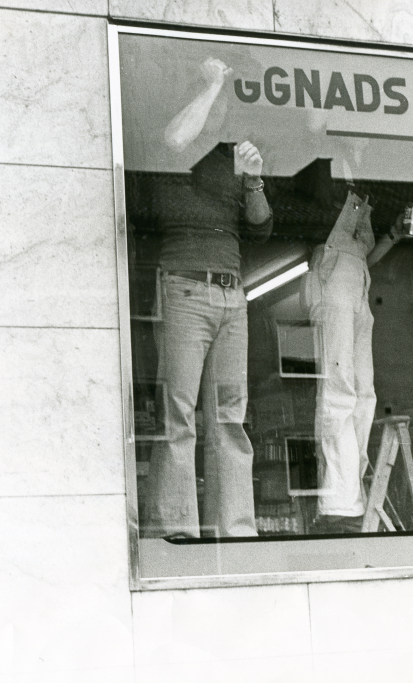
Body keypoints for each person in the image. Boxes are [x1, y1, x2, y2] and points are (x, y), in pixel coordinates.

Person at [146, 56, 273, 538]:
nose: (222, 110)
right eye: (215, 100)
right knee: (180, 413)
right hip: (184, 286)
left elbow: (260, 227)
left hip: (231, 294)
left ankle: (236, 531)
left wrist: (255, 179)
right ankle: (179, 532)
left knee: (228, 417)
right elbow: (179, 138)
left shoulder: (230, 158)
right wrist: (213, 83)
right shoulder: (173, 145)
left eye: (225, 102)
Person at [305, 189, 404, 533]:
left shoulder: (359, 182)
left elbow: (362, 256)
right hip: (333, 281)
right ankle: (337, 501)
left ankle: (350, 495)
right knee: (339, 389)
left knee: (364, 395)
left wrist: (392, 236)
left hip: (357, 282)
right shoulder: (324, 174)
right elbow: (326, 244)